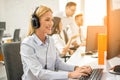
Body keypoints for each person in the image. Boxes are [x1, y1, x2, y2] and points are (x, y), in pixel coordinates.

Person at [20, 5, 92, 80]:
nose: (51, 23)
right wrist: (70, 74)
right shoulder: (27, 44)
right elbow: (39, 73)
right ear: (36, 22)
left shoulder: (50, 40)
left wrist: (76, 68)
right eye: (47, 20)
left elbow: (57, 63)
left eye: (52, 20)